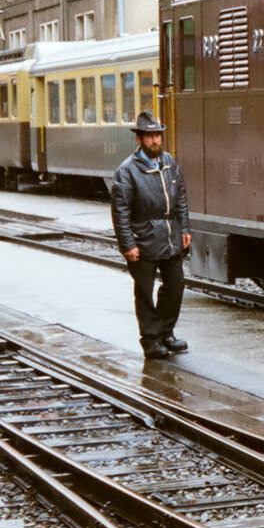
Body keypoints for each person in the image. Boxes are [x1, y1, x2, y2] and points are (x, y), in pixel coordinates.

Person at [111, 110, 191, 359]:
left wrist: (185, 228)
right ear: (140, 139)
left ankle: (166, 333)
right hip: (143, 239)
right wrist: (128, 244)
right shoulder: (127, 171)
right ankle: (151, 340)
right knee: (145, 292)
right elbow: (121, 211)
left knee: (175, 286)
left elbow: (180, 198)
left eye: (158, 135)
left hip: (170, 236)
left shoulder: (170, 163)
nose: (155, 140)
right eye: (150, 136)